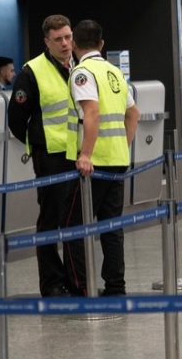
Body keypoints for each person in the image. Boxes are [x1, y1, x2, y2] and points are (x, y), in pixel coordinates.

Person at [64, 19, 140, 297]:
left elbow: (92, 113)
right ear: (102, 45)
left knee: (74, 226)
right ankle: (115, 286)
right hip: (118, 160)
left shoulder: (82, 73)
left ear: (73, 44)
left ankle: (81, 289)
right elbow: (134, 114)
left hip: (94, 165)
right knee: (111, 226)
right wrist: (123, 143)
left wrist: (85, 154)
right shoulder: (114, 72)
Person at [7, 15, 77, 297]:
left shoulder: (78, 66)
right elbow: (16, 118)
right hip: (49, 155)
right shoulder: (31, 72)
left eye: (68, 37)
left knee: (74, 219)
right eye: (58, 39)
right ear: (46, 41)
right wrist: (34, 144)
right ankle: (51, 283)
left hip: (75, 153)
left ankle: (74, 279)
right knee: (51, 219)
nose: (65, 44)